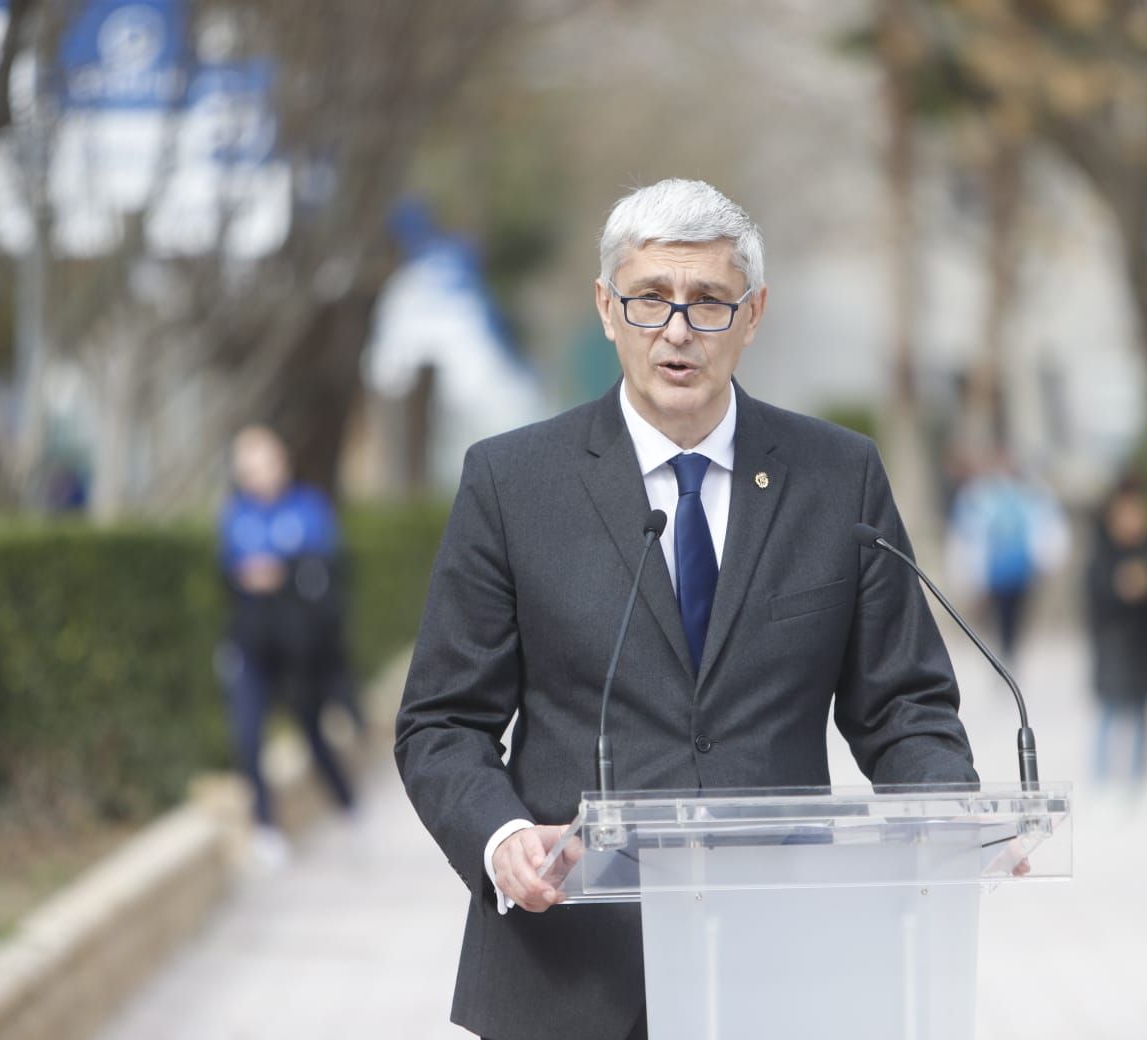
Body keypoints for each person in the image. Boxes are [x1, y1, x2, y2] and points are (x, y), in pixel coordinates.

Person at [393, 179, 978, 1040]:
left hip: (781, 967)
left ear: (753, 312)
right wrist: (502, 837)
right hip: (568, 974)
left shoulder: (838, 477)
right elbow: (441, 722)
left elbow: (904, 705)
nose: (676, 329)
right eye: (649, 299)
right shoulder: (512, 484)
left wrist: (949, 811)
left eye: (708, 302)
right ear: (605, 306)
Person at [218, 425, 356, 863]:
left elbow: (321, 572)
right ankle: (264, 826)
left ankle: (348, 806)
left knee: (312, 728)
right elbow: (236, 572)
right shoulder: (235, 515)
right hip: (252, 646)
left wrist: (281, 573)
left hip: (299, 651)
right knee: (248, 736)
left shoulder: (308, 508)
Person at [1085, 473, 1147, 790]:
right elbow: (1097, 599)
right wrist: (1123, 588)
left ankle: (1137, 780)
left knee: (1142, 716)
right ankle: (1101, 779)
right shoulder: (1103, 556)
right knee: (1110, 714)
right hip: (1114, 649)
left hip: (1145, 648)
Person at [945, 454, 1068, 661]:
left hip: (1021, 570)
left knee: (1015, 615)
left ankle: (1009, 651)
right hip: (997, 572)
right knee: (1002, 615)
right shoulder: (981, 494)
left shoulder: (1030, 494)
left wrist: (1046, 560)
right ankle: (1005, 651)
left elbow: (1046, 528)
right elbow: (969, 533)